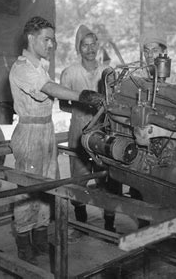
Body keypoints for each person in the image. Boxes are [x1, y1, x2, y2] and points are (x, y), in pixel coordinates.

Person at [9, 16, 103, 264]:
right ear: (31, 38)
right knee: (27, 189)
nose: (51, 45)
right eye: (46, 39)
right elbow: (50, 88)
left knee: (47, 185)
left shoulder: (38, 66)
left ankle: (40, 237)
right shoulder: (22, 68)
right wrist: (82, 96)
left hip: (46, 131)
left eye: (53, 40)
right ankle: (23, 239)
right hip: (29, 133)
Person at [60, 24, 118, 233]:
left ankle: (110, 222)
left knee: (108, 176)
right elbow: (62, 104)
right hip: (78, 130)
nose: (91, 49)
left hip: (104, 131)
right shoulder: (70, 73)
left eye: (94, 44)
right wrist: (81, 108)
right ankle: (81, 218)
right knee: (79, 176)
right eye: (85, 45)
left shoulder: (108, 72)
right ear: (79, 49)